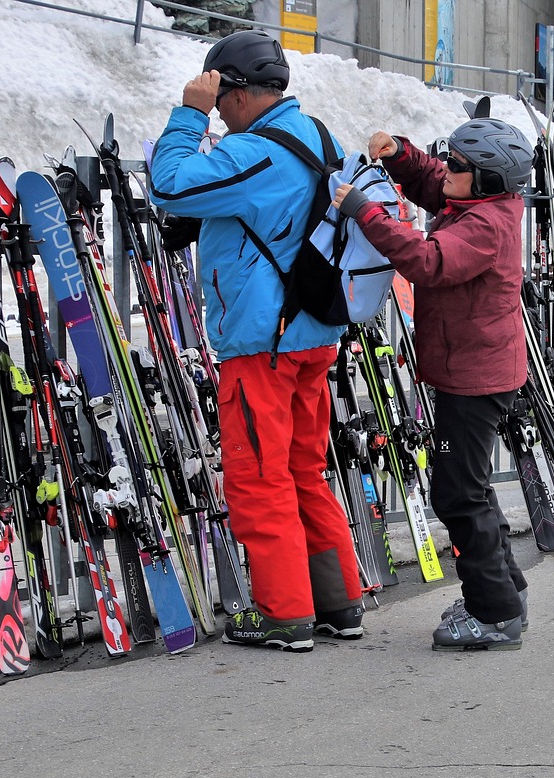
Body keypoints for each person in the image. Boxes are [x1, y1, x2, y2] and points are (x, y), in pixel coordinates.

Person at [148, 30, 365, 649]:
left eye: (221, 103)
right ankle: (338, 603)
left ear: (241, 95)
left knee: (258, 475)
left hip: (262, 341)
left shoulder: (254, 153)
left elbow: (168, 184)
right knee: (304, 470)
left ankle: (283, 614)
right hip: (314, 332)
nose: (219, 112)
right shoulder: (320, 137)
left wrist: (188, 113)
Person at [331, 113, 534, 651]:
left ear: (487, 179)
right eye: (450, 158)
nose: (447, 169)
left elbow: (426, 260)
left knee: (457, 495)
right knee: (469, 488)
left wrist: (366, 212)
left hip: (476, 378)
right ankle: (504, 593)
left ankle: (494, 613)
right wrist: (399, 153)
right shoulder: (474, 201)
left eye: (459, 166)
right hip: (473, 369)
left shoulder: (486, 226)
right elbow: (432, 183)